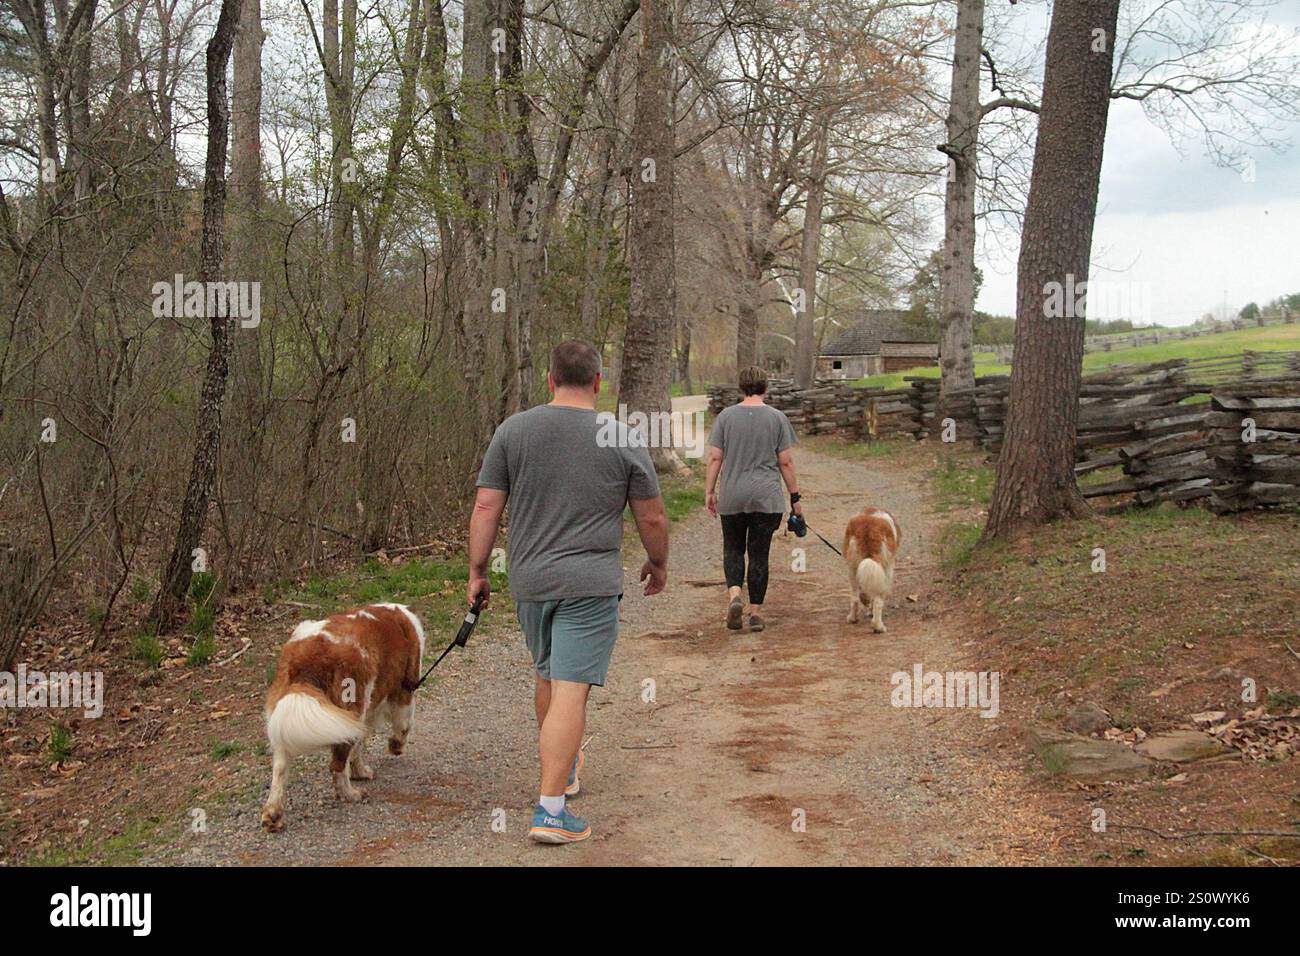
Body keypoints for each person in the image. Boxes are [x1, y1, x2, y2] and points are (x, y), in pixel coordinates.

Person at [467, 340, 669, 845]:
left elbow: (487, 507)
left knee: (550, 675)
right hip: (590, 583)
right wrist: (658, 561)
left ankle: (566, 772)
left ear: (550, 380)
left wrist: (477, 571)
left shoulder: (514, 431)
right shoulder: (620, 435)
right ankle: (551, 810)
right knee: (572, 686)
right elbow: (652, 514)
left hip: (531, 580)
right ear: (598, 382)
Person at [705, 365, 801, 632]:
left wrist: (710, 492)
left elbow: (715, 458)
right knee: (759, 554)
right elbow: (786, 462)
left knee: (733, 549)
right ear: (765, 387)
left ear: (741, 388)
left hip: (733, 496)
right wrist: (795, 498)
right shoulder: (777, 418)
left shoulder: (725, 417)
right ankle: (755, 613)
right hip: (766, 498)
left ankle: (735, 596)